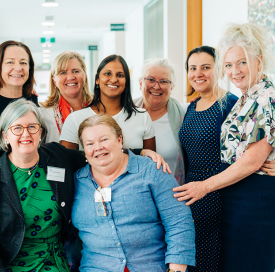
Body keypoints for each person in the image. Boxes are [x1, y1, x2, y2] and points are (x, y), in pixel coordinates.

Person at [0, 100, 164, 272]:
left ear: (41, 132)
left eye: (32, 126)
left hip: (54, 261)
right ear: (5, 135)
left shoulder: (56, 156)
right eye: (17, 128)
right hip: (9, 263)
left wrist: (139, 152)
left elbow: (96, 153)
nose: (26, 134)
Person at [174, 23, 275, 271]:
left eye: (242, 63)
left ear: (258, 61)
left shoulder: (267, 98)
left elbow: (251, 161)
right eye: (228, 65)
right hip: (234, 199)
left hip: (257, 201)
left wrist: (204, 186)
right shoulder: (246, 97)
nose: (234, 71)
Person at [72, 114, 195, 272]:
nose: (98, 147)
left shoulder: (152, 170)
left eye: (104, 140)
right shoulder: (76, 181)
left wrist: (176, 270)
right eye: (90, 143)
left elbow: (179, 221)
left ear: (119, 140)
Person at [60, 54, 156, 153]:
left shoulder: (142, 117)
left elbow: (150, 163)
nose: (114, 80)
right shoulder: (75, 119)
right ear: (97, 79)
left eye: (120, 75)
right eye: (108, 74)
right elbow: (67, 163)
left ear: (126, 81)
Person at [133, 58, 187, 184]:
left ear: (172, 86)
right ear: (140, 82)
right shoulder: (125, 113)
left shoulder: (183, 116)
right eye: (150, 80)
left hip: (171, 193)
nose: (156, 86)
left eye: (164, 81)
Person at [40, 51, 92, 143]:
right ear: (54, 81)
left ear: (85, 77)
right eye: (63, 72)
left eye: (76, 71)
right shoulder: (43, 113)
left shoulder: (99, 107)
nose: (70, 77)